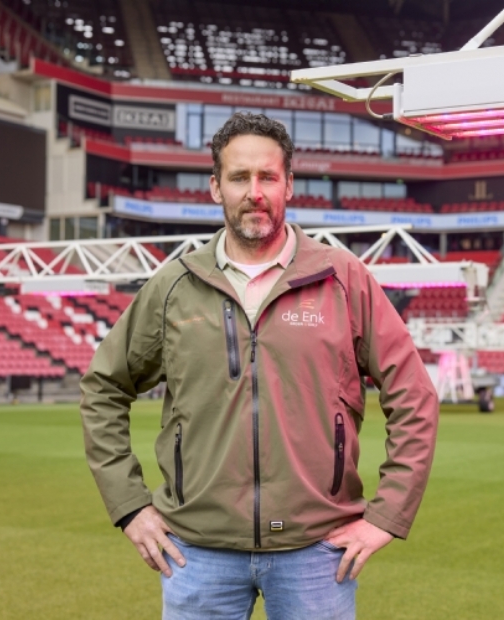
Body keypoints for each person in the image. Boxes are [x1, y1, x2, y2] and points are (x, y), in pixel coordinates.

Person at [80, 112, 439, 619]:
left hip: (317, 551)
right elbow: (103, 387)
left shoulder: (342, 278)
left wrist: (388, 514)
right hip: (197, 552)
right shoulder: (174, 286)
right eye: (239, 177)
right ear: (215, 187)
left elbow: (414, 394)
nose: (254, 192)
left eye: (267, 177)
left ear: (288, 184)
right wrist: (130, 506)